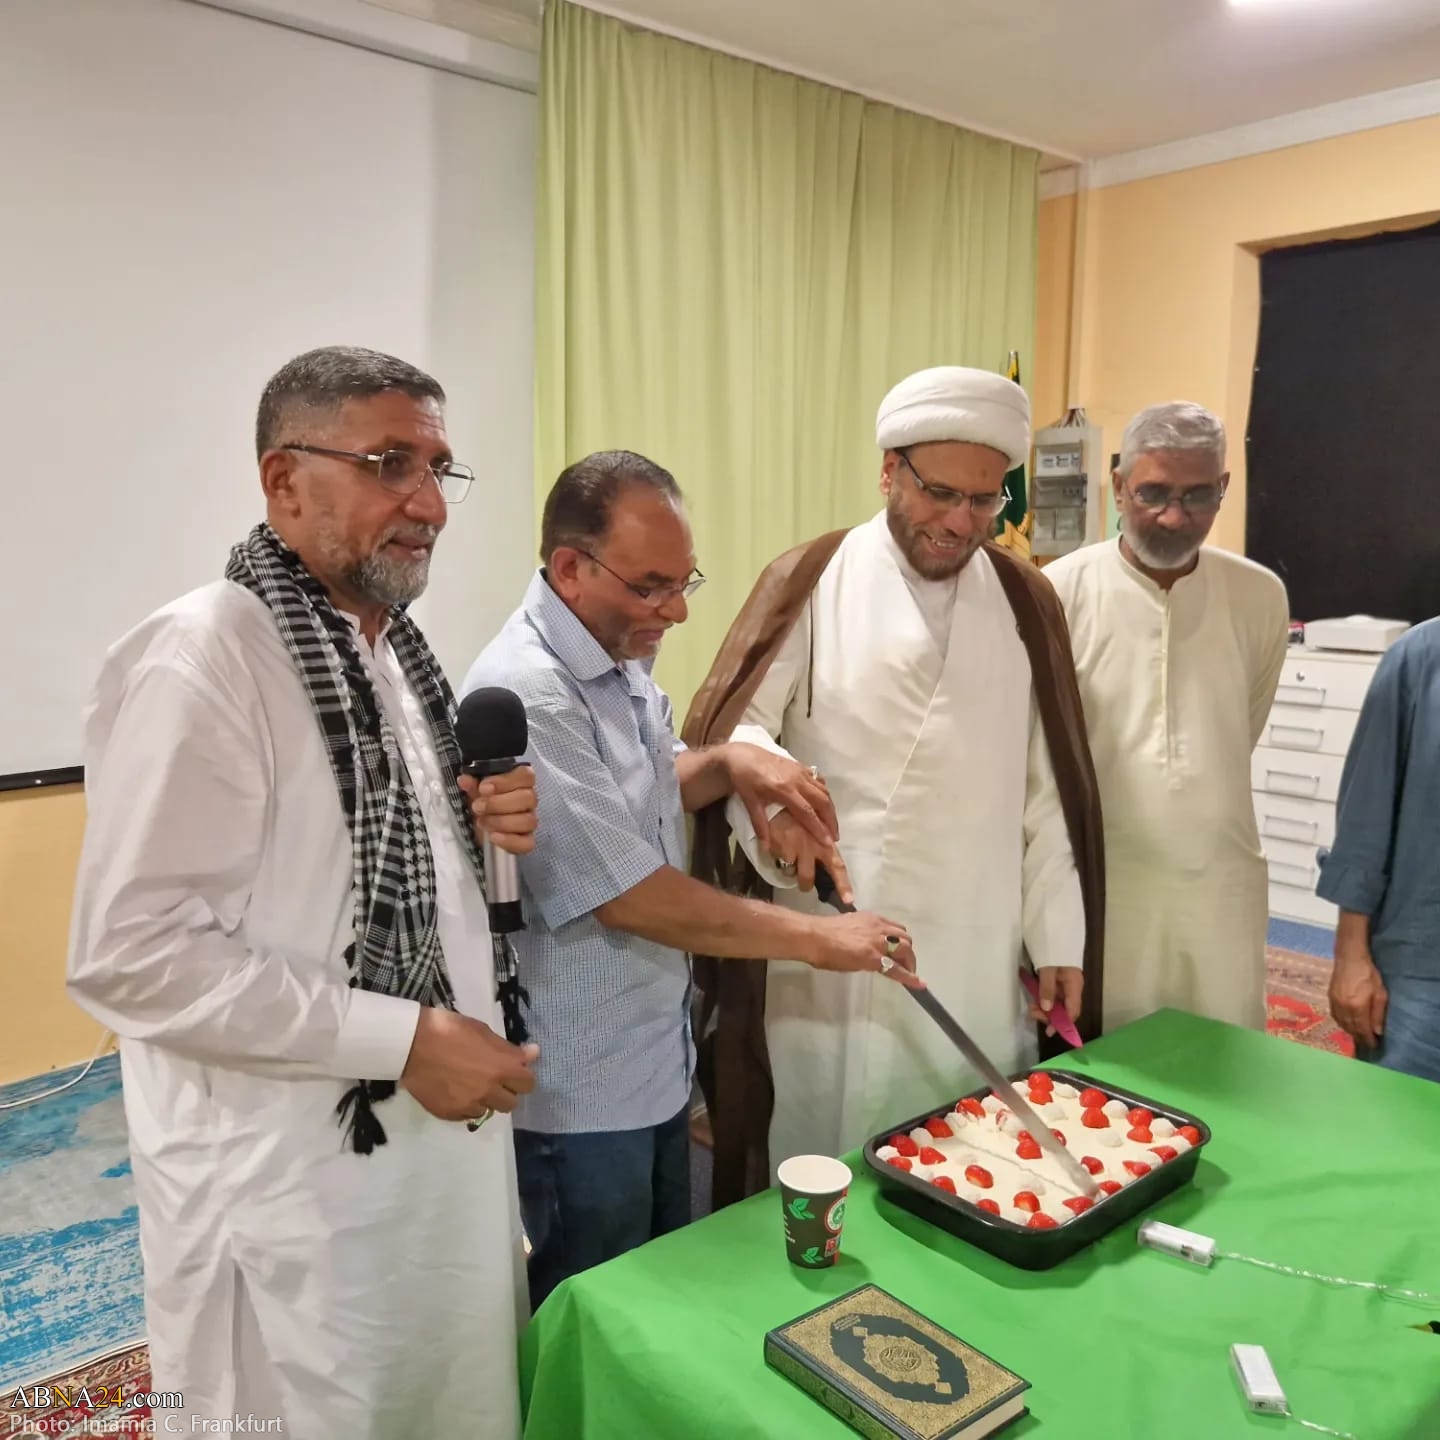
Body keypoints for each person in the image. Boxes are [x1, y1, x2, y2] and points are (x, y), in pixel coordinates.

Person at [68, 347, 540, 1438]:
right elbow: (132, 956)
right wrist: (403, 1039)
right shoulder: (204, 660)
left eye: (439, 469)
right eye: (389, 464)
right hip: (290, 1186)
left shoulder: (396, 656)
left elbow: (357, 879)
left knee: (448, 1394)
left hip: (428, 1162)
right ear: (284, 481)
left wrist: (485, 827)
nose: (430, 504)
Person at [462, 449, 921, 1307]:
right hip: (581, 1088)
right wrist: (819, 939)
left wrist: (734, 763)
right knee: (598, 1313)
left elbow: (649, 784)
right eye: (650, 587)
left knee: (664, 1294)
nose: (673, 610)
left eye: (683, 583)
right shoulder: (532, 691)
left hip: (652, 1058)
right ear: (570, 567)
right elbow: (632, 896)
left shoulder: (616, 654)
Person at [685, 365, 1106, 1206]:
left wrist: (1059, 935)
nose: (960, 522)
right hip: (833, 927)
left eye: (984, 501)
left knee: (971, 1159)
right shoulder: (814, 576)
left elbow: (1049, 788)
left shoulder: (1026, 599)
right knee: (825, 1151)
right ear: (889, 471)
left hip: (975, 930)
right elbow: (736, 731)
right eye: (940, 493)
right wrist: (776, 802)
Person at [1045, 401, 1289, 1032]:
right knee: (1106, 1064)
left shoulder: (1260, 595)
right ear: (1119, 484)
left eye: (1198, 495)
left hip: (1221, 882)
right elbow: (1041, 758)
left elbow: (1241, 728)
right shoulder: (1058, 593)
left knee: (1224, 1053)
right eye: (1153, 493)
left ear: (1224, 487)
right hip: (1105, 884)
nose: (1175, 516)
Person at [1317, 618, 1440, 1082]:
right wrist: (1351, 954)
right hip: (1423, 974)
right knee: (1401, 1116)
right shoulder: (1419, 659)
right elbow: (1365, 820)